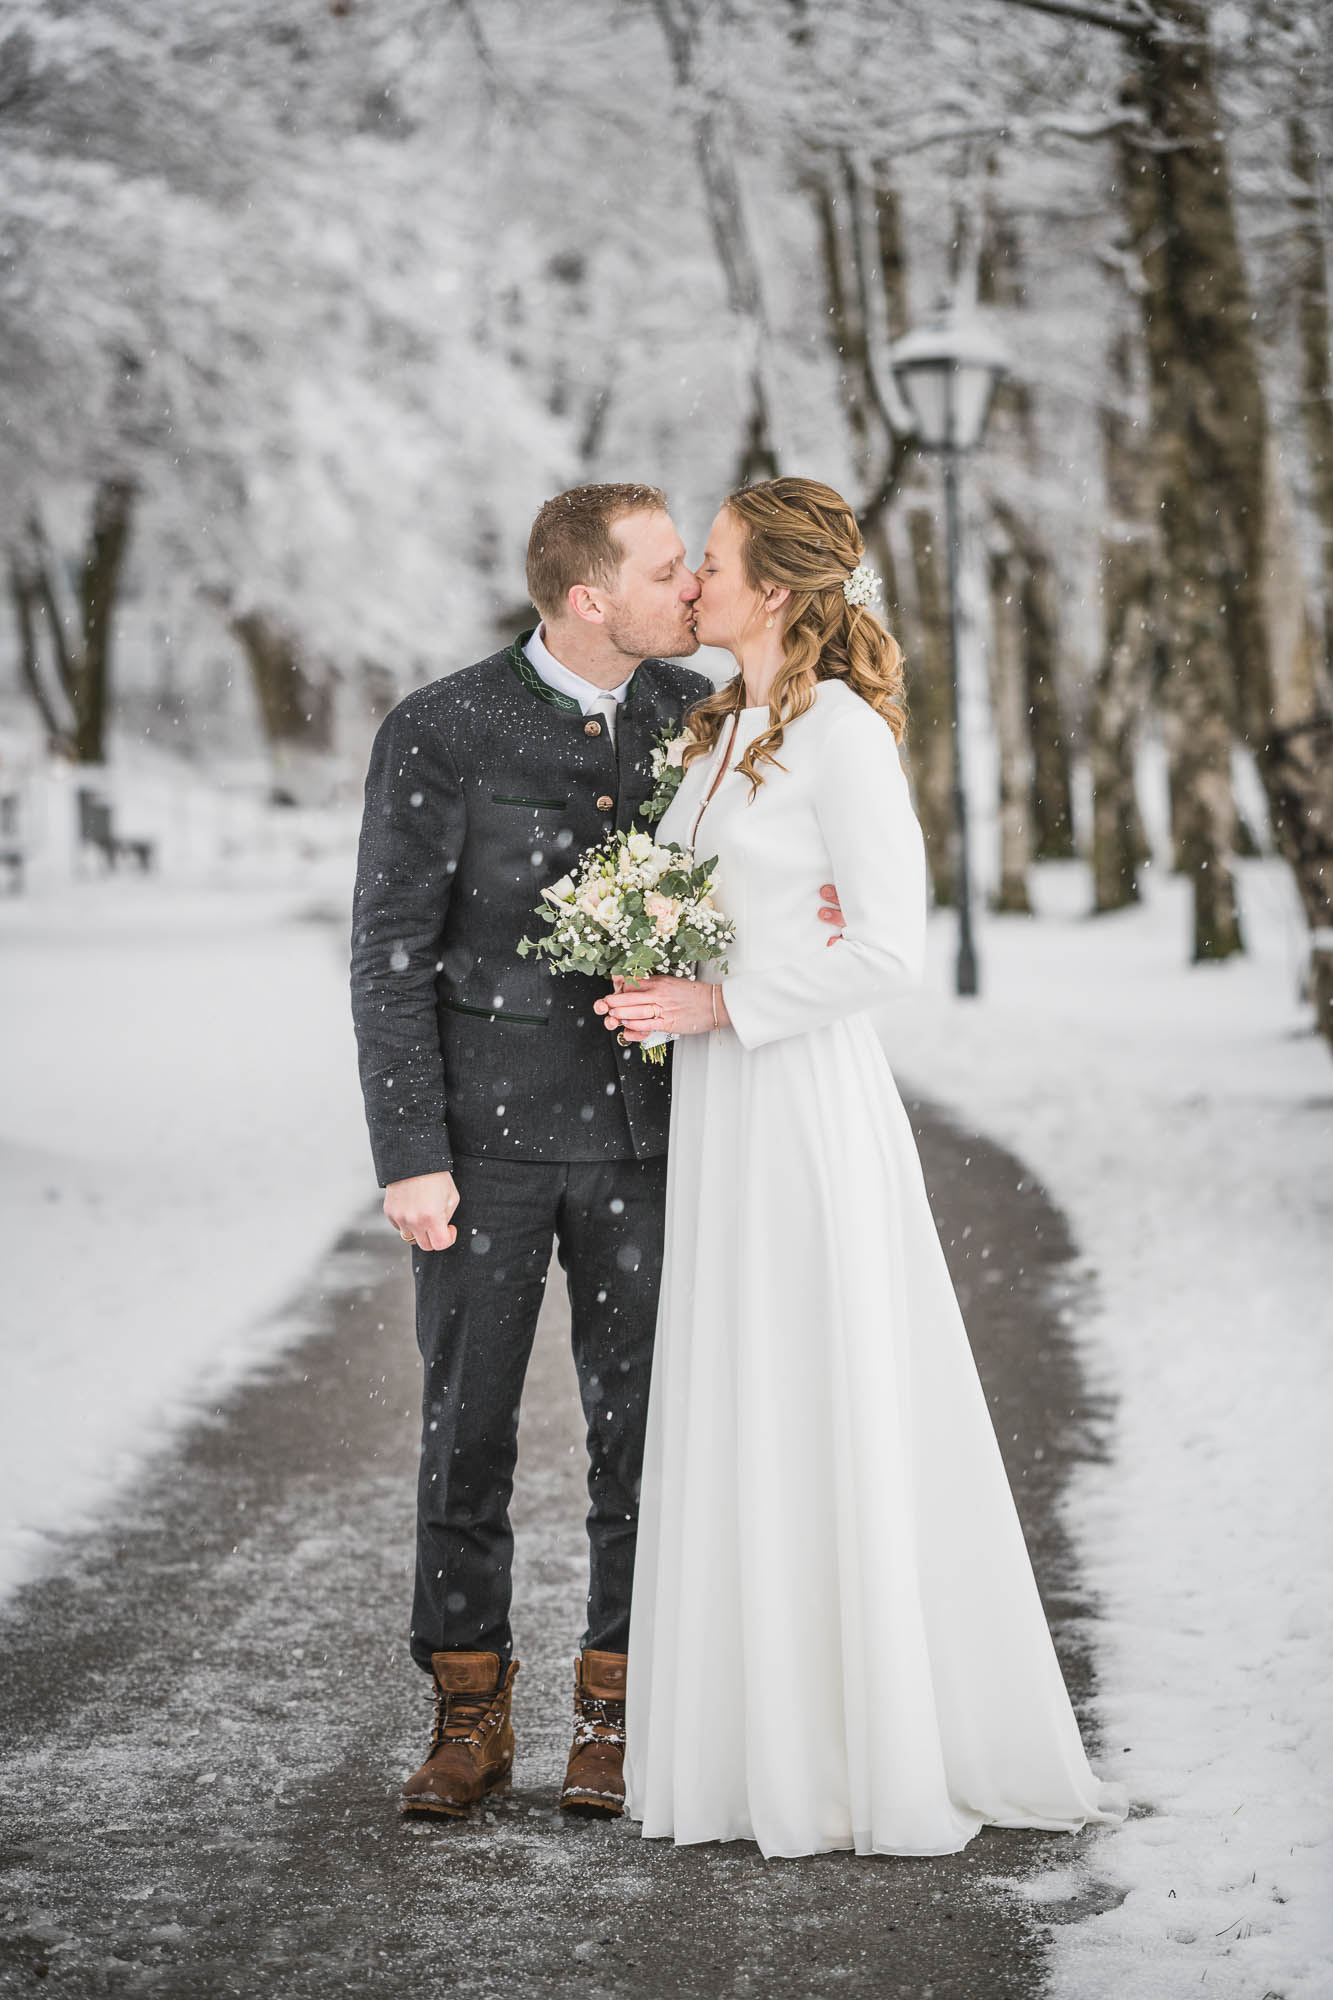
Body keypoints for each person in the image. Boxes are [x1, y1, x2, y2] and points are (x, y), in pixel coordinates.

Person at [600, 477, 1126, 1858]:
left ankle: (860, 1749)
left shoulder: (839, 736)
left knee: (811, 1385)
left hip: (799, 1101)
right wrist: (656, 957)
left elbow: (888, 947)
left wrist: (723, 1001)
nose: (692, 584)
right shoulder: (720, 729)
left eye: (712, 563)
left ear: (774, 590)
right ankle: (748, 1747)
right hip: (722, 1104)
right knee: (738, 1391)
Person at [349, 481, 845, 1820]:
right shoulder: (441, 727)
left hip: (658, 1141)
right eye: (666, 567)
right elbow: (389, 955)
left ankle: (616, 1711)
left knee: (650, 1435)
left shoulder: (701, 713)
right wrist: (410, 1151)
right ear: (588, 596)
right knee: (468, 1429)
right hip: (485, 1150)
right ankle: (466, 1712)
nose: (692, 586)